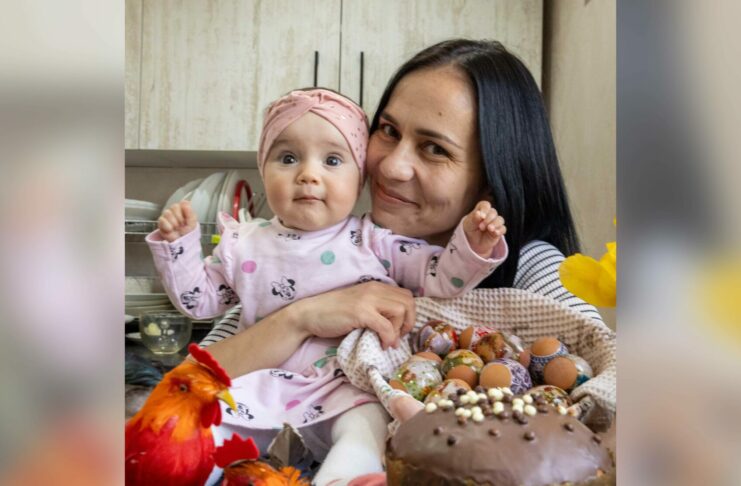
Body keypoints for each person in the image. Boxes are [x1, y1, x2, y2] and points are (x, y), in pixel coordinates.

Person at [197, 38, 603, 483]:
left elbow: (615, 395)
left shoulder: (529, 268)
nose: (391, 166)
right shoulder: (314, 250)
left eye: (434, 148)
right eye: (389, 131)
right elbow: (187, 385)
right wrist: (303, 317)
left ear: (491, 178)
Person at [146, 87, 508, 484]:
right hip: (261, 386)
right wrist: (178, 247)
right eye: (287, 158)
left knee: (362, 435)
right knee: (188, 437)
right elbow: (199, 302)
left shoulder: (375, 242)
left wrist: (472, 244)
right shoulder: (241, 244)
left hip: (346, 389)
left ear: (360, 178)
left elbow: (441, 278)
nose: (308, 174)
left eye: (332, 160)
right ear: (263, 169)